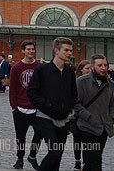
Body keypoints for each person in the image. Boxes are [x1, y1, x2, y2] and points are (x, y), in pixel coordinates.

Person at [27, 37, 77, 171]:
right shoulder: (42, 70)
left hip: (63, 119)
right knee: (54, 152)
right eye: (66, 50)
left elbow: (74, 94)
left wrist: (68, 108)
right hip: (45, 117)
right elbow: (31, 92)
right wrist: (46, 105)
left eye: (70, 50)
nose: (69, 53)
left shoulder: (70, 72)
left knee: (58, 155)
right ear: (56, 51)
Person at [73, 54, 114, 171]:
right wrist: (88, 116)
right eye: (100, 65)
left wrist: (112, 119)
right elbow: (76, 103)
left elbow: (112, 104)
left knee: (95, 159)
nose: (103, 68)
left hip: (104, 128)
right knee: (93, 158)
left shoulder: (110, 83)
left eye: (105, 65)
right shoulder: (81, 82)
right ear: (92, 66)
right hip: (87, 127)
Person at [9, 41, 43, 170]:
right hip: (20, 109)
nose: (31, 51)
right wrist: (14, 107)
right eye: (28, 49)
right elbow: (13, 89)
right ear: (23, 51)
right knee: (20, 137)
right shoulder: (16, 68)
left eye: (33, 49)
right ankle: (20, 158)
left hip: (36, 109)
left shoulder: (39, 67)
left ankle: (32, 156)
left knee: (39, 133)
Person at [71, 60, 92, 170]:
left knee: (88, 140)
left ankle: (87, 161)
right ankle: (77, 160)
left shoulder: (94, 81)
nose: (89, 71)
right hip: (77, 115)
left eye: (90, 68)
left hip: (90, 115)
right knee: (77, 139)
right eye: (87, 68)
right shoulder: (75, 81)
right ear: (81, 69)